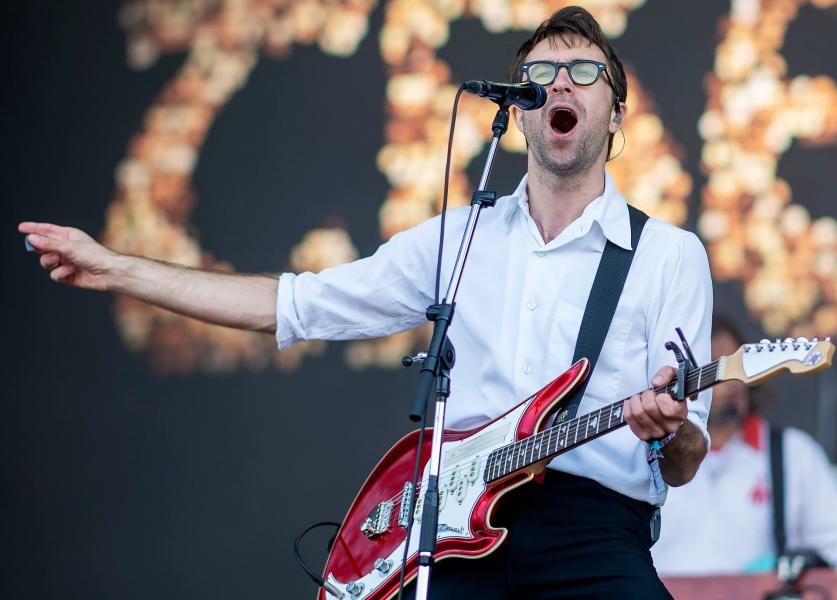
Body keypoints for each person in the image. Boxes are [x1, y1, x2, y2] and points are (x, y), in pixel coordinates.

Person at [20, 6, 713, 598]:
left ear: (617, 110)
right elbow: (290, 306)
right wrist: (118, 269)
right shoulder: (459, 237)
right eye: (540, 73)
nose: (560, 82)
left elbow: (684, 458)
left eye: (585, 72)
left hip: (593, 528)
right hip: (454, 522)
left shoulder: (667, 255)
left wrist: (668, 427)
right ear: (521, 112)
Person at [652, 314, 837, 594]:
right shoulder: (644, 452)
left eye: (735, 366)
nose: (732, 384)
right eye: (716, 369)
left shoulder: (793, 453)